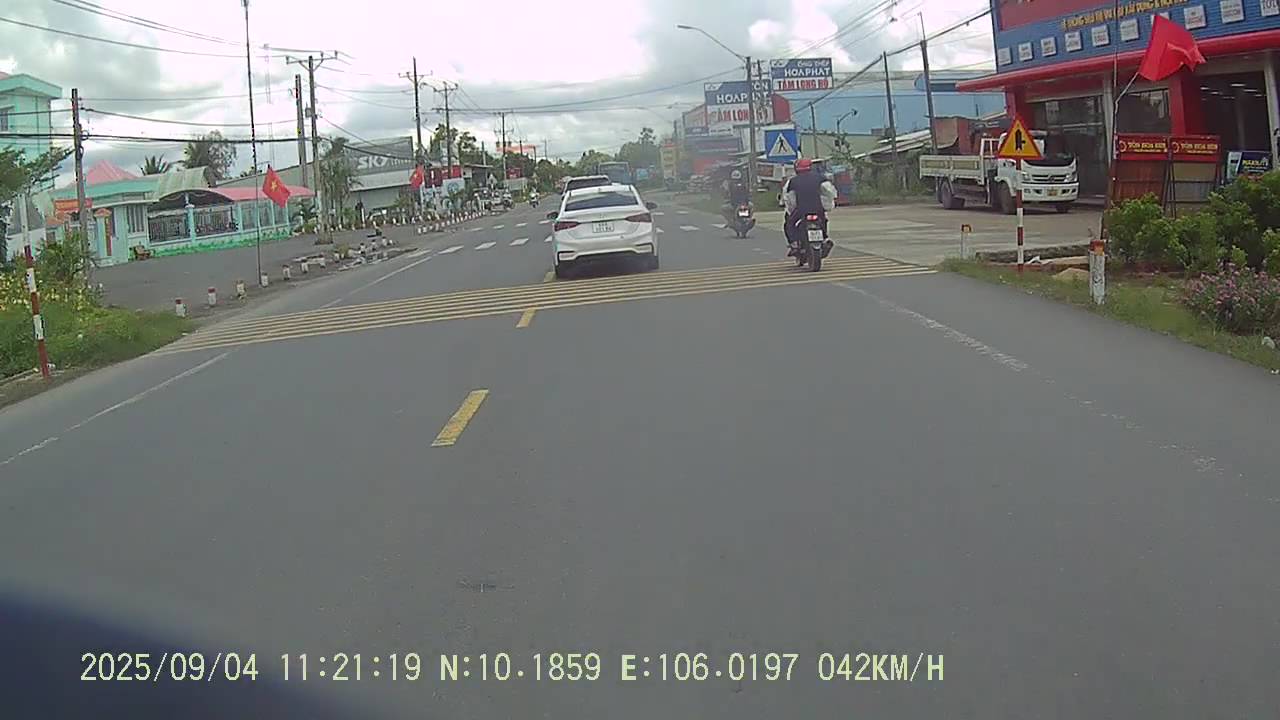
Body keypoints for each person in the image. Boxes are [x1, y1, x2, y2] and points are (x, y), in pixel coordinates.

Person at [782, 158, 837, 255]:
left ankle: (794, 243)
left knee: (789, 223)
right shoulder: (821, 178)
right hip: (818, 209)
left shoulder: (792, 181)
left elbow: (788, 198)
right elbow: (829, 192)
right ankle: (824, 238)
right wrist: (829, 204)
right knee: (823, 220)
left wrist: (789, 208)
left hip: (801, 210)